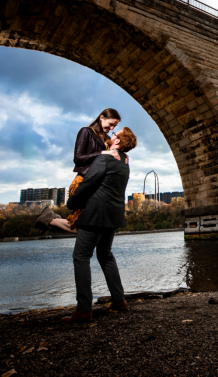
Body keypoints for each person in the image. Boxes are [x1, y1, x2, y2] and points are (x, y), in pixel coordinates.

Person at [60, 126, 137, 324]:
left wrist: (71, 203)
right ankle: (119, 300)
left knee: (81, 257)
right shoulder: (125, 162)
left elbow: (87, 184)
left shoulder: (104, 158)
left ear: (118, 141)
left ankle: (84, 309)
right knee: (105, 255)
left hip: (95, 215)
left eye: (114, 135)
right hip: (113, 215)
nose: (111, 136)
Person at [33, 108, 124, 234]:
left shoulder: (107, 138)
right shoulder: (86, 131)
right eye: (111, 124)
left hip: (96, 187)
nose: (112, 128)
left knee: (88, 226)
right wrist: (102, 153)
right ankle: (50, 220)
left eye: (115, 126)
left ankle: (49, 220)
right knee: (87, 227)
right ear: (102, 118)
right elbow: (78, 158)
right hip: (82, 184)